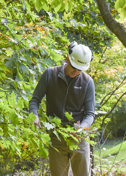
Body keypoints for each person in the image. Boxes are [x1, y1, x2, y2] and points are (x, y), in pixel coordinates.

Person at [29, 41, 95, 176]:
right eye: (73, 67)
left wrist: (82, 127)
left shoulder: (88, 82)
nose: (75, 72)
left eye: (79, 70)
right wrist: (34, 115)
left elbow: (90, 114)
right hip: (56, 137)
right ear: (67, 59)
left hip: (79, 138)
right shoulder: (49, 75)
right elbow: (34, 100)